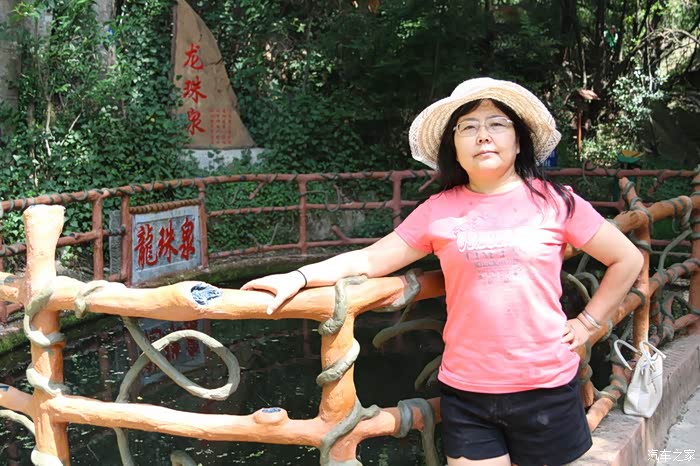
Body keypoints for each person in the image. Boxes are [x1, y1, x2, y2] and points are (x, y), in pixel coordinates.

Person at [242, 77, 643, 466]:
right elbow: (370, 260)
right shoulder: (438, 210)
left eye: (497, 124)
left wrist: (588, 323)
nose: (483, 136)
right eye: (468, 127)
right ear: (454, 145)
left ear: (519, 140)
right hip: (468, 391)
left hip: (546, 386)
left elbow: (627, 259)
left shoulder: (555, 202)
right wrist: (298, 277)